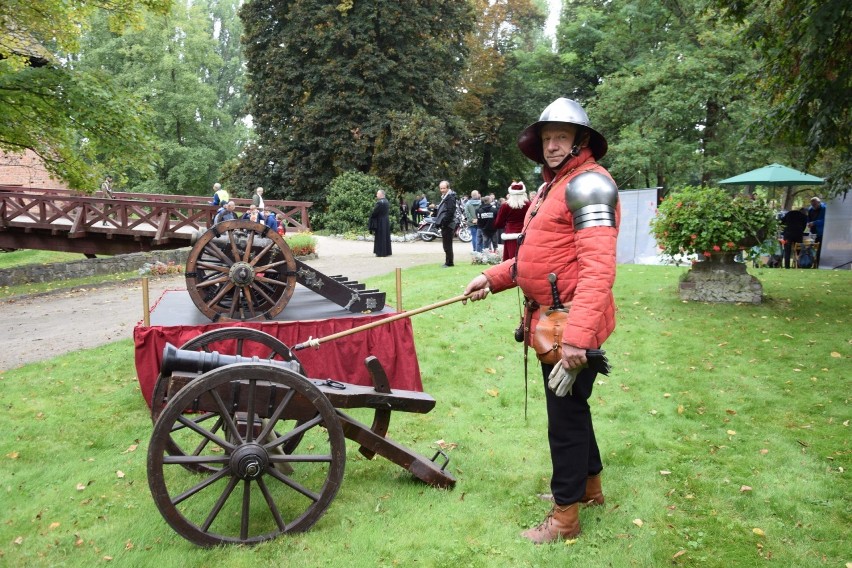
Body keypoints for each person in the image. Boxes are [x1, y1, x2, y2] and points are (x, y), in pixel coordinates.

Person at [463, 97, 619, 544]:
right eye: (547, 137)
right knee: (575, 412)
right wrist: (489, 279)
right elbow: (533, 260)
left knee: (564, 422)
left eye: (561, 137)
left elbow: (598, 271)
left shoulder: (588, 186)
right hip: (551, 322)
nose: (551, 145)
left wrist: (577, 338)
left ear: (580, 141)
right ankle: (590, 491)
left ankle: (564, 519)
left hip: (567, 326)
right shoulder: (553, 187)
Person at [494, 181, 531, 260]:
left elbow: (498, 223)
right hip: (525, 233)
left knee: (511, 259)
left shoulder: (505, 206)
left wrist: (506, 224)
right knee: (524, 258)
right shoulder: (528, 204)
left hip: (510, 234)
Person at [434, 181, 457, 267]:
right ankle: (448, 262)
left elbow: (450, 212)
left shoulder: (450, 197)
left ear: (448, 188)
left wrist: (444, 222)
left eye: (444, 188)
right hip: (446, 224)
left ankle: (449, 263)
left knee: (447, 245)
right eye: (441, 188)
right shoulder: (445, 197)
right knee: (446, 244)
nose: (442, 190)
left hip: (448, 224)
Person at [368, 190, 392, 257]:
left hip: (380, 221)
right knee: (385, 236)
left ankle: (380, 252)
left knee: (380, 236)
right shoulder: (386, 201)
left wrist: (371, 216)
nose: (376, 195)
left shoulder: (379, 203)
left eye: (377, 194)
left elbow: (375, 212)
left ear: (381, 194)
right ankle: (387, 251)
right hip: (386, 221)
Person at [807, 197, 826, 267]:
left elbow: (825, 220)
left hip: (821, 233)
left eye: (815, 204)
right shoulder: (810, 209)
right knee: (811, 248)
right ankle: (810, 263)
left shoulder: (824, 208)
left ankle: (818, 264)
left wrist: (814, 223)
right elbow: (808, 219)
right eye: (812, 205)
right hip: (813, 232)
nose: (813, 206)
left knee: (820, 249)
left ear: (819, 203)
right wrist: (808, 223)